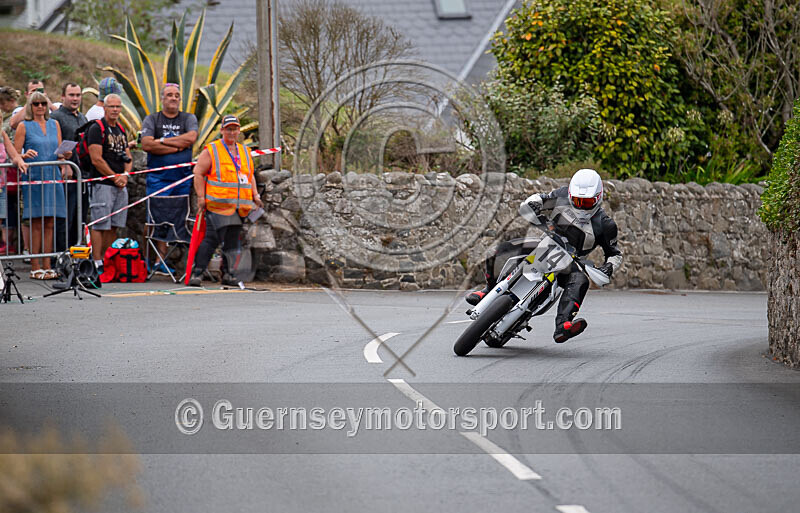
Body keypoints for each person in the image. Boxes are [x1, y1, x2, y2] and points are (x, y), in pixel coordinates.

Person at [465, 168, 623, 343]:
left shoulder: (606, 224)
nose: (580, 206)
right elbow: (541, 198)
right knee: (499, 250)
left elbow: (614, 254)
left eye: (586, 202)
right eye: (577, 200)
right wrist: (534, 202)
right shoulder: (561, 195)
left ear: (598, 198)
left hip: (570, 261)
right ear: (570, 194)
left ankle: (563, 325)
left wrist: (609, 267)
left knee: (581, 280)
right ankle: (488, 289)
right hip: (545, 242)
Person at [188, 115, 263, 287]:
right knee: (212, 238)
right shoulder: (212, 150)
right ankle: (197, 273)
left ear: (239, 131)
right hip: (218, 204)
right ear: (222, 130)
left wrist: (255, 196)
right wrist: (201, 197)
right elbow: (198, 173)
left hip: (240, 206)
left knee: (233, 240)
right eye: (228, 128)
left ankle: (229, 275)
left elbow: (249, 176)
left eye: (235, 128)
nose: (232, 132)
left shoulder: (245, 151)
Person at [140, 83, 198, 274]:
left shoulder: (188, 118)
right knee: (155, 219)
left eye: (177, 95)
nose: (174, 98)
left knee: (177, 219)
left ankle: (162, 261)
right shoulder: (152, 119)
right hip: (158, 178)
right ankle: (150, 260)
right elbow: (147, 144)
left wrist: (162, 141)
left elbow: (190, 138)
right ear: (162, 99)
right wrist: (176, 146)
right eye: (170, 95)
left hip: (182, 180)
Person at [13, 91, 72, 279]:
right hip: (35, 177)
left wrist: (66, 156)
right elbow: (13, 154)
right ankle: (35, 265)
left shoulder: (55, 124)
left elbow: (59, 152)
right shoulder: (24, 126)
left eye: (43, 104)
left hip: (52, 175)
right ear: (30, 106)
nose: (40, 107)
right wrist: (23, 155)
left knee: (50, 222)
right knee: (35, 222)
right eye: (36, 104)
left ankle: (47, 264)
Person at [85, 93, 132, 274]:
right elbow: (96, 159)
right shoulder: (97, 129)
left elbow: (127, 155)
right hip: (103, 184)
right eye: (111, 106)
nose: (115, 110)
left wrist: (126, 175)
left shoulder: (120, 129)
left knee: (115, 224)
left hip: (120, 184)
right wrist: (114, 177)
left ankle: (107, 259)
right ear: (104, 108)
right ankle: (96, 260)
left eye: (118, 107)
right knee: (100, 223)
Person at [51, 82, 89, 249]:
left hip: (83, 177)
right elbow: (52, 145)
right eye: (71, 95)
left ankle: (75, 257)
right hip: (64, 177)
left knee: (79, 220)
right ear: (62, 97)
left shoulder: (83, 118)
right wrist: (61, 164)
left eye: (78, 95)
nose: (75, 99)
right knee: (64, 219)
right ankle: (60, 257)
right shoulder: (55, 118)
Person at [0, 129, 29, 254]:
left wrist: (20, 161)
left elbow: (13, 154)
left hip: (1, 186)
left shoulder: (2, 134)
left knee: (1, 218)